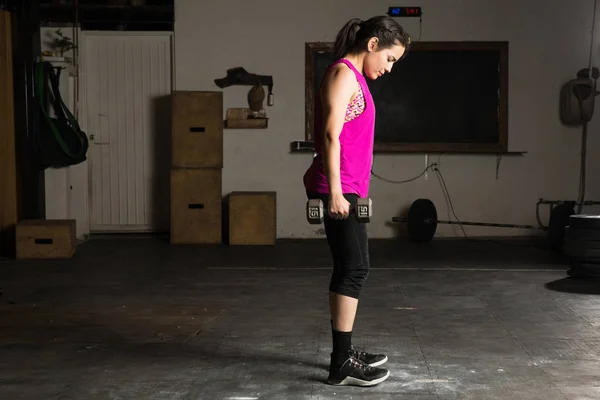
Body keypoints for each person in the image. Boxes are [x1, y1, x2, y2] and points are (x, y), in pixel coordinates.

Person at [303, 16, 411, 386]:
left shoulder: (355, 76)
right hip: (337, 189)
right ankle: (340, 363)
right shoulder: (343, 74)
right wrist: (335, 192)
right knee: (354, 269)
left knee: (354, 267)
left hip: (348, 187)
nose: (389, 68)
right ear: (372, 45)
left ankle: (342, 353)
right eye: (390, 59)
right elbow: (331, 135)